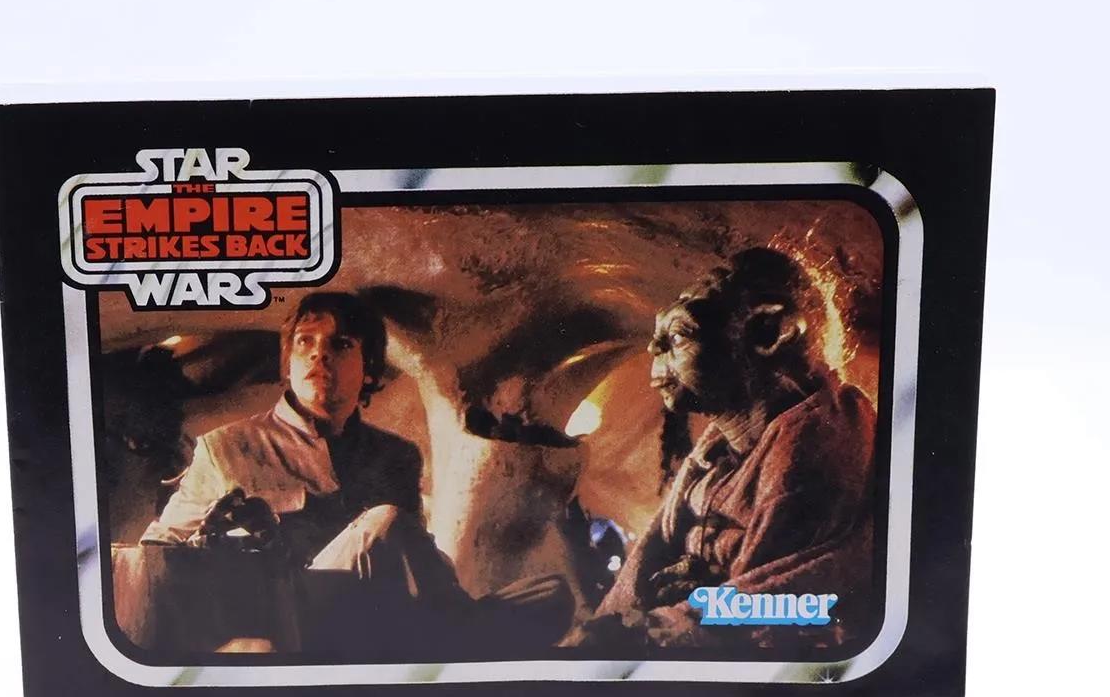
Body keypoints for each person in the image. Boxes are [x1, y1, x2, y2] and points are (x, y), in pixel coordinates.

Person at [131, 291, 571, 656]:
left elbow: (419, 558)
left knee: (552, 594)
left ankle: (447, 634)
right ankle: (456, 638)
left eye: (340, 345)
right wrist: (210, 535)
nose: (318, 354)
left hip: (381, 616)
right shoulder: (225, 447)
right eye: (304, 342)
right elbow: (158, 549)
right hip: (294, 615)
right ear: (286, 363)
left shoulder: (396, 456)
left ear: (370, 368)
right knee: (386, 521)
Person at [581, 247, 876, 651]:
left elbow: (772, 608)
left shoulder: (819, 445)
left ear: (768, 332)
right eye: (659, 338)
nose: (654, 350)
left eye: (679, 335)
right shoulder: (720, 452)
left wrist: (661, 623)